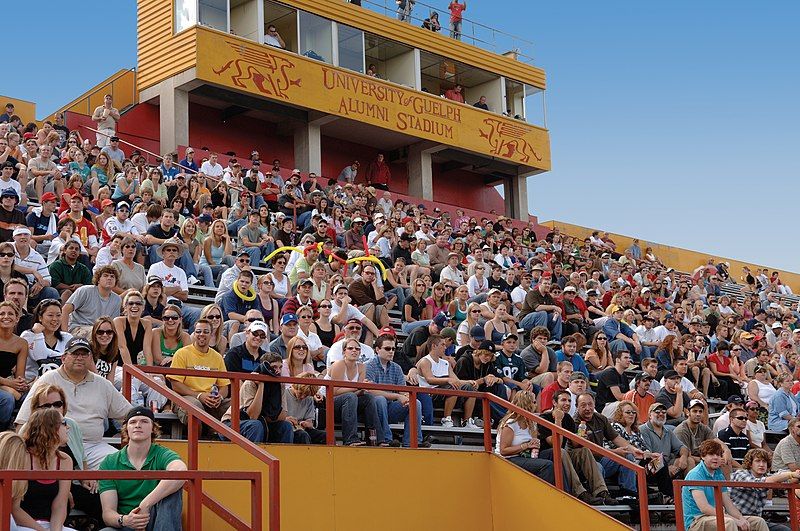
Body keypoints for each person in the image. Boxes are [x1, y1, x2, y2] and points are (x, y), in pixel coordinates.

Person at [15, 337, 132, 470]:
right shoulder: (47, 379)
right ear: (64, 358)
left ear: (91, 358)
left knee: (122, 466)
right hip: (53, 446)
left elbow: (129, 414)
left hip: (93, 446)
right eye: (75, 353)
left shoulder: (103, 384)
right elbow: (23, 420)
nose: (80, 357)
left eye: (84, 354)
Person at [99, 406, 186, 531]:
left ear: (153, 428)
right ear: (126, 429)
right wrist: (125, 520)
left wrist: (145, 505)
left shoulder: (161, 454)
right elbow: (108, 513)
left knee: (172, 490)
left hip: (157, 521)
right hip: (128, 523)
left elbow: (180, 471)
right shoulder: (110, 462)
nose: (138, 425)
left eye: (144, 421)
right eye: (133, 422)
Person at [571, 392, 644, 506]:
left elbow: (616, 438)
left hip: (603, 459)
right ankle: (599, 497)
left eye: (590, 404)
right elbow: (587, 450)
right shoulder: (574, 422)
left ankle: (629, 494)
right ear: (576, 407)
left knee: (628, 455)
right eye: (583, 405)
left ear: (594, 404)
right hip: (585, 465)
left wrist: (633, 450)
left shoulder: (600, 418)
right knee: (598, 466)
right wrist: (615, 452)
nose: (587, 408)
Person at [681, 439, 769, 531]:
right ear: (703, 456)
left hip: (715, 516)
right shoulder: (695, 474)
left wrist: (740, 518)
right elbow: (704, 508)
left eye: (718, 455)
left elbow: (729, 505)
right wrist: (733, 519)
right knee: (729, 522)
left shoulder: (719, 474)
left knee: (758, 522)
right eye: (711, 454)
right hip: (696, 520)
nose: (716, 457)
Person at [15, 408, 76, 531]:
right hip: (21, 525)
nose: (68, 428)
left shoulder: (65, 460)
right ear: (50, 428)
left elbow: (60, 504)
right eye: (64, 423)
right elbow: (14, 507)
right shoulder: (23, 457)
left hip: (51, 525)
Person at [221, 352, 297, 444]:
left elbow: (282, 417)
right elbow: (252, 416)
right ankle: (251, 458)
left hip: (262, 422)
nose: (278, 371)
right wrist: (261, 385)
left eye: (280, 367)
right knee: (256, 425)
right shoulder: (250, 383)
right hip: (233, 422)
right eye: (274, 367)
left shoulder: (279, 385)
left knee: (286, 427)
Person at [366, 334, 426, 448]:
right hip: (373, 410)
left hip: (390, 408)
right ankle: (386, 439)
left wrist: (405, 398)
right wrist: (398, 397)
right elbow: (370, 390)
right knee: (379, 400)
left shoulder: (397, 368)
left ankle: (413, 441)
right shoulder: (369, 366)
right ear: (377, 350)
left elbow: (402, 391)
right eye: (388, 348)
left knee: (415, 403)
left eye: (394, 349)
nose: (391, 351)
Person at [167, 319, 231, 424]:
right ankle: (197, 440)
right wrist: (199, 395)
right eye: (198, 331)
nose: (201, 334)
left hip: (210, 398)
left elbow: (224, 386)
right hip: (186, 397)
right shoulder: (182, 353)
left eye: (206, 332)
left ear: (211, 335)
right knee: (195, 406)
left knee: (234, 405)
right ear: (194, 333)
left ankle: (221, 437)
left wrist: (220, 397)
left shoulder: (217, 357)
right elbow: (175, 385)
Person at [327, 337, 380, 446]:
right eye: (350, 348)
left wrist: (362, 389)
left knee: (368, 398)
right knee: (350, 396)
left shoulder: (361, 367)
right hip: (329, 403)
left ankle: (374, 438)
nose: (354, 351)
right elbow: (334, 392)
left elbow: (357, 392)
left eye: (357, 349)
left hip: (349, 402)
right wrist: (358, 387)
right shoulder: (338, 365)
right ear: (344, 352)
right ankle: (350, 439)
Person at [416, 334, 476, 428]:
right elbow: (430, 379)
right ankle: (446, 418)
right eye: (442, 345)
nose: (445, 347)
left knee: (470, 388)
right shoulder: (425, 361)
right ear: (434, 346)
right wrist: (448, 380)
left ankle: (467, 421)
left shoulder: (445, 363)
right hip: (430, 394)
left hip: (447, 392)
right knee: (452, 387)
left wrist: (469, 382)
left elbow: (456, 380)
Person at [495, 390, 555, 484]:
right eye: (534, 402)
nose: (536, 405)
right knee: (547, 465)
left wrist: (535, 445)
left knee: (555, 453)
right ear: (526, 404)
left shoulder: (531, 422)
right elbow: (503, 451)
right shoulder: (510, 423)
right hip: (509, 459)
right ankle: (541, 493)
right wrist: (526, 446)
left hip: (524, 455)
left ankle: (567, 492)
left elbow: (533, 442)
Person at [730, 449, 798, 531]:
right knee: (760, 522)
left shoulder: (766, 476)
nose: (761, 465)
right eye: (757, 461)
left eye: (764, 462)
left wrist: (797, 475)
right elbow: (759, 483)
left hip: (757, 519)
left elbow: (783, 479)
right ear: (750, 464)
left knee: (784, 530)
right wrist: (791, 474)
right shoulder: (741, 474)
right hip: (737, 518)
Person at [62, 265, 122, 335]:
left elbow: (113, 323)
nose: (109, 278)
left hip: (102, 331)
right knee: (98, 334)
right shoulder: (85, 291)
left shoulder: (117, 299)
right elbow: (65, 310)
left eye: (112, 276)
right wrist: (65, 335)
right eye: (105, 275)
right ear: (98, 280)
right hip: (79, 327)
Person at [638, 403, 691, 478]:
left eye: (663, 412)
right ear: (650, 415)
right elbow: (647, 456)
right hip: (649, 466)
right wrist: (666, 468)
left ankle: (689, 488)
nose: (661, 414)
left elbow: (682, 447)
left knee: (689, 461)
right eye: (657, 412)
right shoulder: (643, 429)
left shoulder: (668, 431)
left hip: (666, 463)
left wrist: (684, 457)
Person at [674, 399, 715, 467]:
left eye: (700, 411)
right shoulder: (681, 430)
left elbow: (716, 441)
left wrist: (726, 450)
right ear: (688, 412)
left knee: (723, 460)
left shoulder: (703, 427)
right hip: (680, 461)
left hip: (700, 460)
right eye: (695, 411)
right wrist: (707, 459)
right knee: (690, 461)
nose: (698, 414)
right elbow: (686, 455)